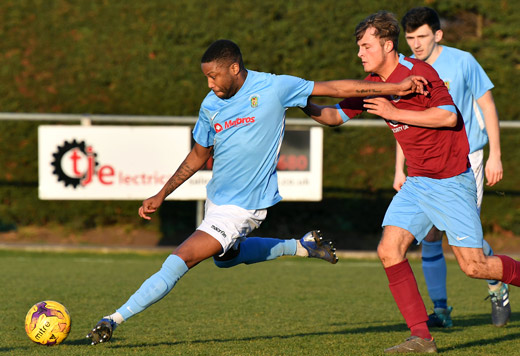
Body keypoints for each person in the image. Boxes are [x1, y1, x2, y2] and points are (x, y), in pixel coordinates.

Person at [86, 39, 426, 345]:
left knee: (181, 259)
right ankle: (303, 246)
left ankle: (113, 319)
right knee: (225, 259)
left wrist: (395, 86)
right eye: (206, 77)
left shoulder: (276, 87)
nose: (210, 84)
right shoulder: (210, 104)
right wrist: (162, 194)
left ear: (234, 68)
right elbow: (197, 155)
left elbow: (335, 88)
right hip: (216, 199)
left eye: (215, 76)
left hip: (244, 209)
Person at [302, 11, 520, 353]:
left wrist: (394, 113)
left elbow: (449, 116)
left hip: (451, 181)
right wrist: (299, 99)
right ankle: (422, 337)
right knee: (389, 250)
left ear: (387, 45)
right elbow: (332, 116)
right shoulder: (373, 84)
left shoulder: (420, 73)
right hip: (418, 183)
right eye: (359, 47)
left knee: (474, 266)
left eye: (365, 46)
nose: (359, 53)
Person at [394, 6, 508, 329]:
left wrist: (495, 154)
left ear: (438, 35)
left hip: (465, 159)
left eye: (422, 37)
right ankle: (441, 310)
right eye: (411, 38)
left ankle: (497, 286)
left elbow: (487, 105)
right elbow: (402, 122)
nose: (415, 44)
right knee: (430, 237)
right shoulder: (407, 69)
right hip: (425, 165)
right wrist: (398, 169)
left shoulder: (463, 62)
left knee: (464, 241)